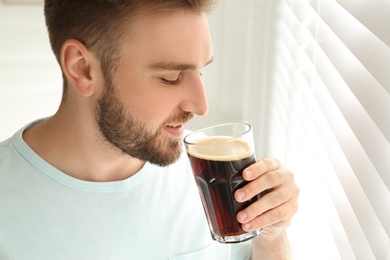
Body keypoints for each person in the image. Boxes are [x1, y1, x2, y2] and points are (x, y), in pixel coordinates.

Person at [0, 0, 300, 259]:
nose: (200, 105)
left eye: (201, 71)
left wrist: (271, 236)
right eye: (170, 77)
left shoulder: (214, 181)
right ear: (82, 68)